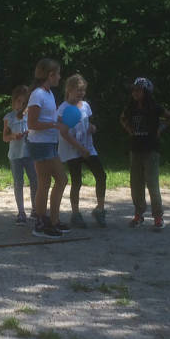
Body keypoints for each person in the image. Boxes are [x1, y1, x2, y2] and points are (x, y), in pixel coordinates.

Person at [120, 77, 170, 230]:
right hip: (135, 149)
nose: (135, 93)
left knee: (152, 183)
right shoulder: (130, 108)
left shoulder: (155, 108)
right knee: (136, 184)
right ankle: (138, 214)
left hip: (151, 150)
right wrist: (129, 130)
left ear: (146, 92)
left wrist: (159, 130)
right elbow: (122, 118)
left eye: (138, 90)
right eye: (133, 90)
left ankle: (158, 217)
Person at [26, 58, 69, 238]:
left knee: (47, 182)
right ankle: (42, 223)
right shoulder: (38, 94)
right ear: (50, 75)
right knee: (59, 179)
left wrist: (59, 122)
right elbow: (32, 123)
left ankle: (51, 220)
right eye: (57, 74)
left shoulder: (49, 93)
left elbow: (48, 119)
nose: (59, 77)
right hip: (40, 144)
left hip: (49, 143)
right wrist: (54, 125)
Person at [57, 74, 106, 228]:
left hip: (88, 147)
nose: (81, 93)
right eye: (78, 90)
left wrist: (92, 128)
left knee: (101, 175)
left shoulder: (85, 105)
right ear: (69, 90)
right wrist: (80, 149)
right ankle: (75, 214)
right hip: (72, 150)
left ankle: (100, 209)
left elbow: (86, 123)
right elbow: (64, 133)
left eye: (83, 90)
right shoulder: (63, 109)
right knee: (76, 181)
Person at [2, 85, 37, 225]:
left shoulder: (31, 117)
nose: (21, 105)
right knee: (18, 182)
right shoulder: (9, 118)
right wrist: (13, 136)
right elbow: (5, 137)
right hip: (15, 155)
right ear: (14, 101)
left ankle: (35, 209)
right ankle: (21, 212)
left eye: (24, 103)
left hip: (30, 154)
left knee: (35, 180)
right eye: (19, 101)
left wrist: (30, 134)